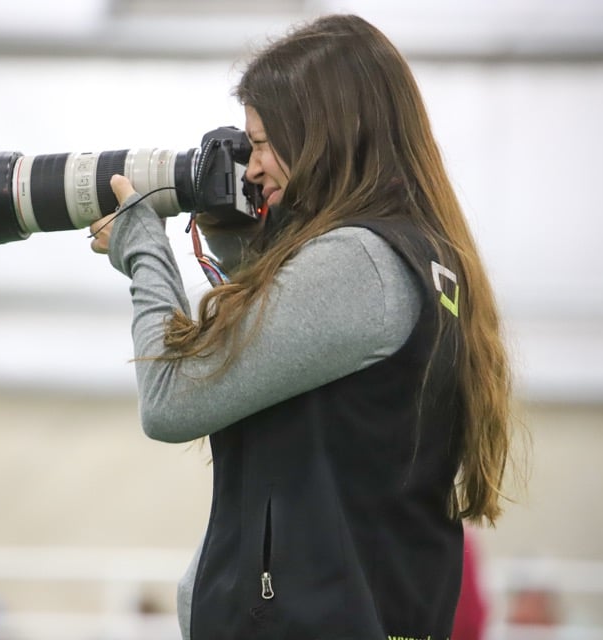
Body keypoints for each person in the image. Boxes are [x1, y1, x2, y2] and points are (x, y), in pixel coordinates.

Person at [89, 14, 516, 640]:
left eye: (261, 143)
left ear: (324, 137)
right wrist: (243, 250)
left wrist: (142, 244)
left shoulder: (359, 264)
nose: (254, 168)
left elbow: (170, 402)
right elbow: (317, 381)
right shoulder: (417, 255)